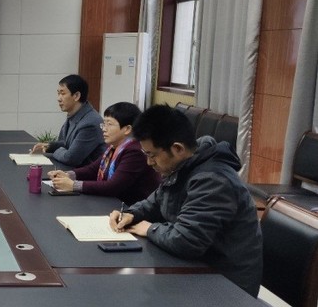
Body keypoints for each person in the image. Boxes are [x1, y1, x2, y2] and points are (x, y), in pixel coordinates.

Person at [109, 104, 262, 296]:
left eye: (152, 155)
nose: (149, 162)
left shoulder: (212, 180)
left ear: (177, 149)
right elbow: (155, 202)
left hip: (226, 287)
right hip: (196, 269)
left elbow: (187, 241)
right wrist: (131, 214)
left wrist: (149, 228)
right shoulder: (183, 166)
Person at [48, 102, 159, 205]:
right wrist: (68, 175)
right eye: (103, 124)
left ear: (127, 129)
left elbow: (113, 186)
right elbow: (92, 169)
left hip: (130, 209)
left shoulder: (135, 151)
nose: (104, 129)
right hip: (111, 203)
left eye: (109, 124)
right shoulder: (113, 147)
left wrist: (73, 185)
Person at [30, 74, 106, 167]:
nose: (58, 99)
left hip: (85, 174)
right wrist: (48, 146)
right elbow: (67, 144)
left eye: (63, 94)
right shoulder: (75, 115)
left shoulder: (90, 123)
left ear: (76, 96)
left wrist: (56, 150)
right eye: (58, 93)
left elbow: (70, 158)